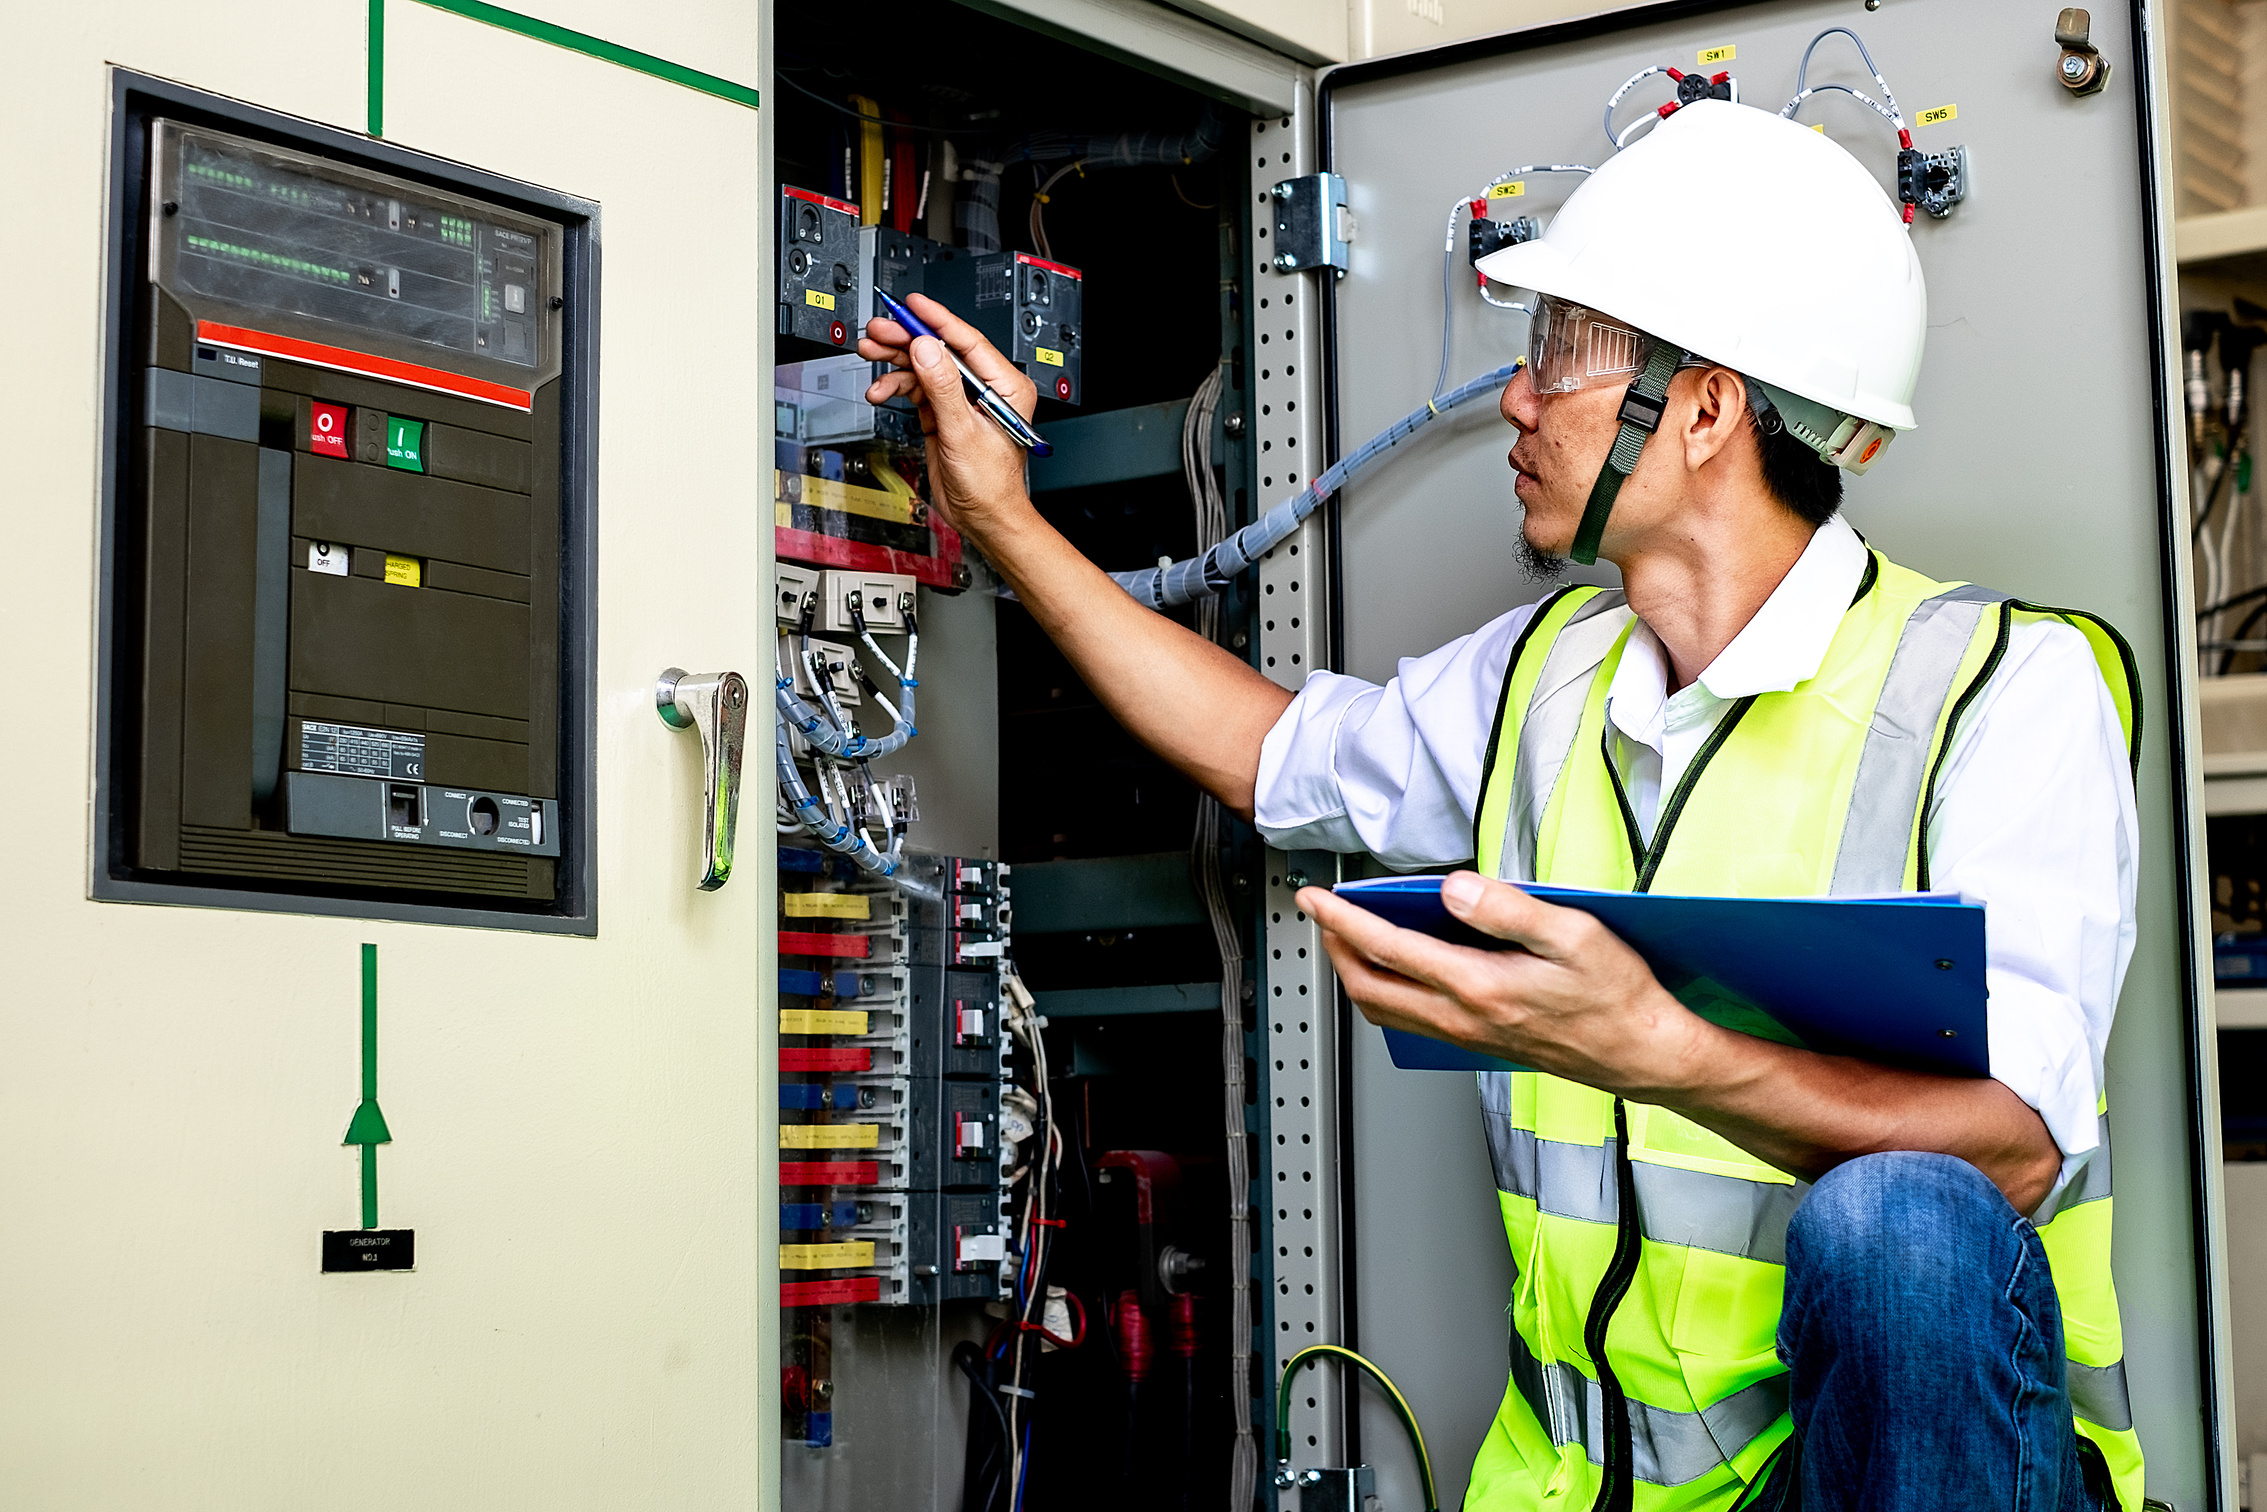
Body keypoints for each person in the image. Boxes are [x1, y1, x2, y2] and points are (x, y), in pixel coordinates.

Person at [861, 100, 2142, 1512]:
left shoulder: (2002, 691)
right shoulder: (1549, 678)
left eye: (1557, 359)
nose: (1514, 404)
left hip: (1880, 1480)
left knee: (1902, 1223)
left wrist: (1655, 1048)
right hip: (1586, 1489)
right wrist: (1005, 521)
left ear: (1707, 408)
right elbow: (1271, 750)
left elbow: (2016, 1151)